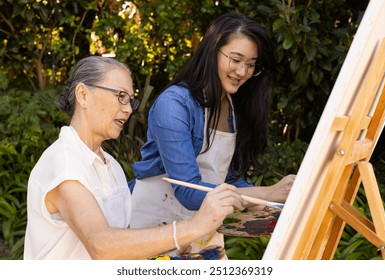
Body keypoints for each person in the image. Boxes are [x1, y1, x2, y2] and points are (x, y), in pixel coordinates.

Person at [23, 56, 245, 260]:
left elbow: (123, 244)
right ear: (83, 95)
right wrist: (195, 226)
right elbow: (100, 245)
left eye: (130, 100)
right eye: (120, 96)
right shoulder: (63, 162)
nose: (128, 109)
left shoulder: (112, 166)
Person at [129, 11, 295, 256]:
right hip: (153, 230)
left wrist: (276, 201)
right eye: (236, 59)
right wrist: (267, 193)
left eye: (250, 65)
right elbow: (188, 191)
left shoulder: (234, 107)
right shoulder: (173, 105)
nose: (242, 71)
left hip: (203, 230)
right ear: (213, 50)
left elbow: (227, 180)